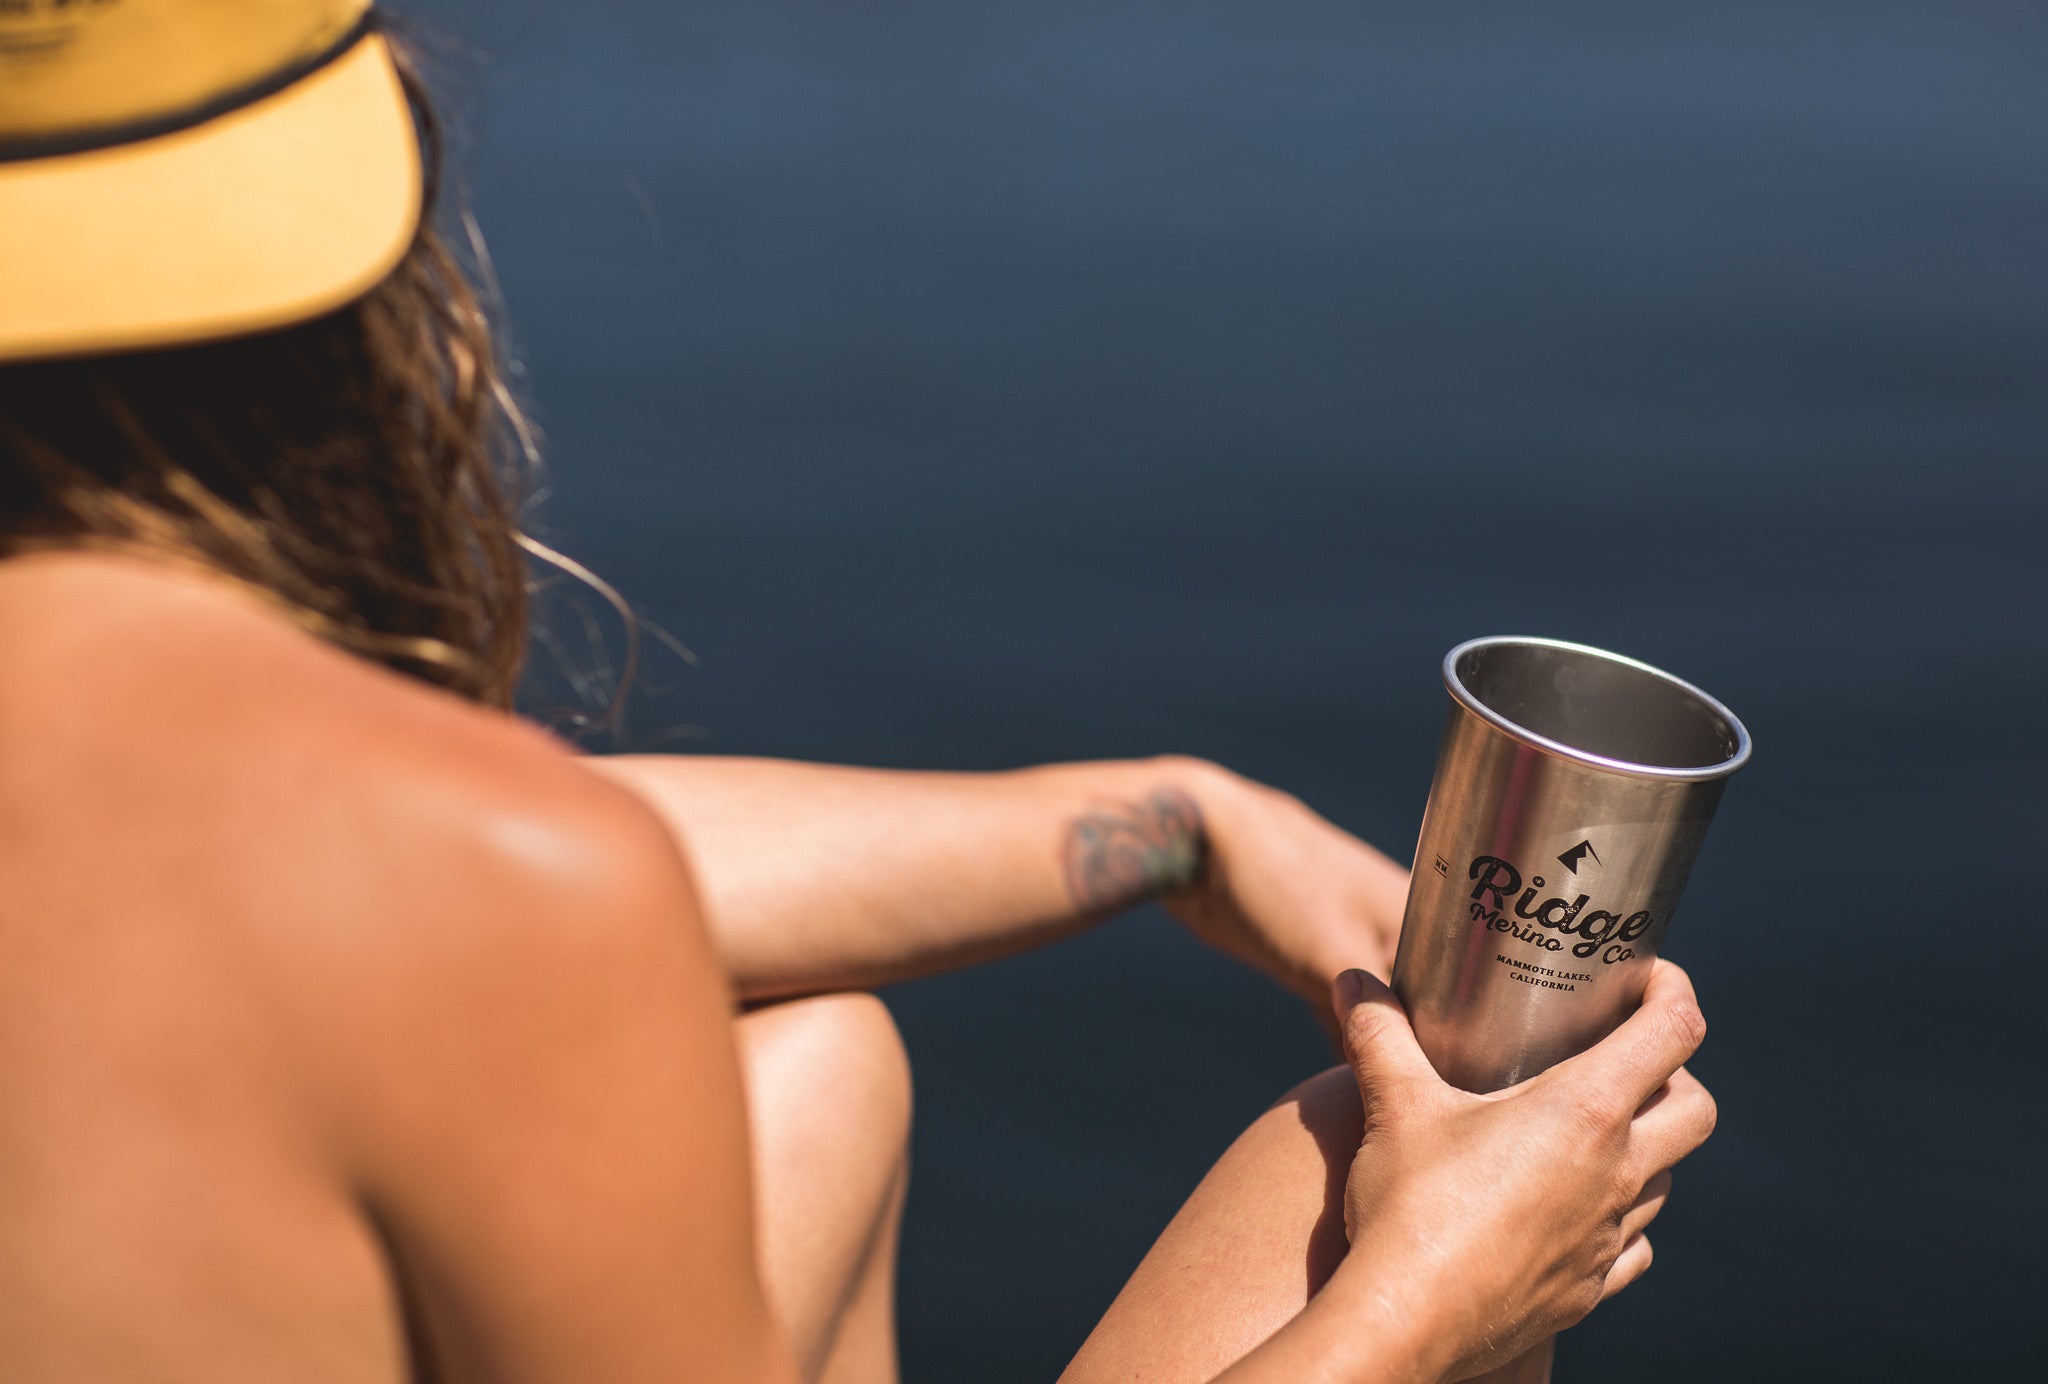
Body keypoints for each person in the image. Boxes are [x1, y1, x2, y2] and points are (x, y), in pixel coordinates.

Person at [0, 4, 1717, 1381]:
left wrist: (1191, 831)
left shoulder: (257, 835)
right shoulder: (461, 896)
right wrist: (1436, 1306)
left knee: (813, 1083)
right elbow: (508, 883)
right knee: (1387, 1163)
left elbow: (596, 852)